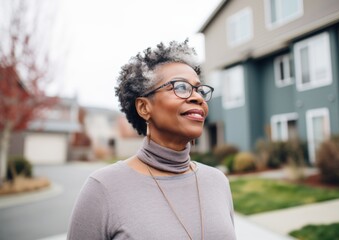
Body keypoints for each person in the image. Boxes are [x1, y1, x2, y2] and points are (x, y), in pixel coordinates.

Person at [67, 40, 236, 240]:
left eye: (199, 90)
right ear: (144, 108)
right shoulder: (103, 188)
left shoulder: (217, 182)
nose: (197, 97)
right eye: (181, 87)